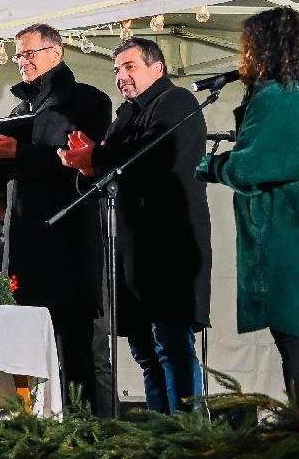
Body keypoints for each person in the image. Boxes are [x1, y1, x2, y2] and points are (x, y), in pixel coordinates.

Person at [196, 8, 299, 404]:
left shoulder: (282, 97)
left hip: (288, 230)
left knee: (293, 336)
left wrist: (208, 165)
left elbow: (251, 167)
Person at [59, 37, 212, 414]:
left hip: (169, 246)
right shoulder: (125, 116)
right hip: (131, 251)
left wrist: (95, 155)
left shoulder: (176, 101)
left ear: (157, 68)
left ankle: (186, 432)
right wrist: (85, 164)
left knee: (172, 344)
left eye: (130, 66)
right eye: (116, 70)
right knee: (144, 349)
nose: (121, 76)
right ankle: (161, 434)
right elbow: (105, 173)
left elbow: (156, 154)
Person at [0, 23, 112, 413]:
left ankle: (87, 438)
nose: (21, 62)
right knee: (23, 354)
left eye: (28, 53)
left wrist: (18, 155)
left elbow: (81, 166)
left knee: (75, 351)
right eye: (18, 55)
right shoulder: (16, 111)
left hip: (68, 246)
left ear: (55, 54)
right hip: (22, 249)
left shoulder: (89, 102)